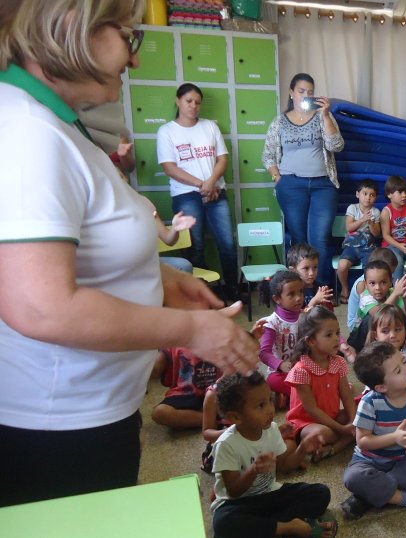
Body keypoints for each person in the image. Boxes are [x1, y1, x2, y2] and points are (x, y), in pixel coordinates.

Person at [0, 0, 259, 507]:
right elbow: (39, 305)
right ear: (73, 26)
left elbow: (78, 249)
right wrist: (189, 331)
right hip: (57, 425)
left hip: (91, 411)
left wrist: (160, 277)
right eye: (128, 36)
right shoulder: (28, 134)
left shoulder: (59, 126)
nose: (135, 59)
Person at [210, 372, 337, 538]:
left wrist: (302, 449)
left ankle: (267, 529)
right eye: (261, 405)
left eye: (270, 400)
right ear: (236, 417)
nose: (270, 409)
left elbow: (284, 466)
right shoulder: (226, 444)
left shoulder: (271, 429)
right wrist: (254, 470)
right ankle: (288, 527)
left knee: (320, 493)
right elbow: (233, 491)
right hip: (238, 504)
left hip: (269, 494)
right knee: (223, 523)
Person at [341, 341, 406, 520]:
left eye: (404, 361)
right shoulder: (370, 402)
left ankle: (368, 496)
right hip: (369, 462)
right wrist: (394, 438)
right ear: (381, 387)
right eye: (398, 370)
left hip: (399, 462)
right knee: (352, 477)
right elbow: (363, 441)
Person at [263, 73, 344, 289]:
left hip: (322, 186)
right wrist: (277, 177)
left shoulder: (321, 116)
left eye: (310, 92)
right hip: (291, 186)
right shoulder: (280, 121)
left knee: (320, 239)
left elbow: (336, 146)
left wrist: (326, 115)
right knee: (299, 240)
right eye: (301, 91)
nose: (306, 95)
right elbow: (268, 154)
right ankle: (301, 290)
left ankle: (322, 290)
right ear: (291, 93)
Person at [157, 82, 237, 299]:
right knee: (196, 246)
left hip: (216, 192)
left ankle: (233, 290)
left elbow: (223, 159)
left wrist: (211, 182)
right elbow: (169, 167)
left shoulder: (210, 126)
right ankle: (200, 295)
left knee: (227, 243)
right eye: (188, 101)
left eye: (197, 102)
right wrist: (202, 184)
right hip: (186, 194)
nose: (193, 106)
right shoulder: (167, 131)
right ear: (178, 101)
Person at [285, 307, 357, 461]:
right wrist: (343, 429)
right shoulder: (301, 370)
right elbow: (311, 410)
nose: (336, 339)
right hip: (306, 423)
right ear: (310, 341)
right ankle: (343, 440)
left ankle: (333, 448)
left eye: (338, 333)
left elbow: (346, 395)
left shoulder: (338, 362)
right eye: (329, 335)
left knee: (364, 413)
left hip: (333, 417)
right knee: (321, 434)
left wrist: (352, 420)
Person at [258, 271, 305, 398]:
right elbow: (263, 353)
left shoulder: (305, 316)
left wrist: (341, 343)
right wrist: (280, 365)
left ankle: (289, 397)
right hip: (281, 371)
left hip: (303, 367)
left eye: (301, 291)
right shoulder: (271, 323)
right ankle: (305, 395)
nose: (299, 298)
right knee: (273, 381)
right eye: (291, 294)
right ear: (277, 299)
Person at [152, 347, 221, 429]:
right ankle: (213, 420)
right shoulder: (172, 343)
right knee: (160, 413)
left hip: (219, 391)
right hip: (185, 393)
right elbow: (154, 373)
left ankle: (214, 417)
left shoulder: (224, 338)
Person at [337, 179, 381, 304]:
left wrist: (371, 222)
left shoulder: (376, 212)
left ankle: (368, 292)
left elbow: (377, 234)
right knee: (342, 266)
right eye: (365, 193)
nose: (368, 198)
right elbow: (349, 227)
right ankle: (345, 289)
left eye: (372, 195)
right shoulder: (352, 208)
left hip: (368, 246)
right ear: (358, 194)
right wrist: (362, 219)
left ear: (376, 197)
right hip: (351, 246)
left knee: (371, 268)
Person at [286, 243, 334, 312]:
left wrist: (325, 304)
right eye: (306, 268)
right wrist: (315, 301)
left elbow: (330, 314)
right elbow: (298, 317)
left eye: (315, 267)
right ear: (293, 270)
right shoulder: (292, 291)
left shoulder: (321, 287)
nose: (311, 273)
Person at [154, 205, 196, 274]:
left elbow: (169, 240)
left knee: (184, 265)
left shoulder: (146, 204)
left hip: (151, 261)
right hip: (132, 264)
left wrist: (175, 228)